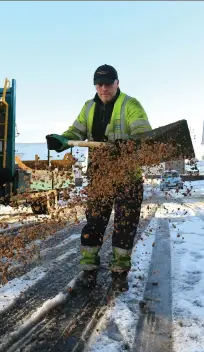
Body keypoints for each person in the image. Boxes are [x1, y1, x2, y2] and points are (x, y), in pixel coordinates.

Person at [46, 64, 152, 291]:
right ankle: (88, 271)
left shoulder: (130, 105)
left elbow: (143, 134)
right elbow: (75, 132)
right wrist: (62, 140)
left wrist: (129, 144)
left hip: (127, 177)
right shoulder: (88, 107)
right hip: (100, 176)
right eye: (99, 84)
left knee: (124, 226)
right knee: (93, 224)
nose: (103, 88)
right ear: (96, 85)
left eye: (108, 83)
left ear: (117, 83)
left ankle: (119, 274)